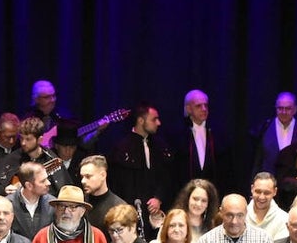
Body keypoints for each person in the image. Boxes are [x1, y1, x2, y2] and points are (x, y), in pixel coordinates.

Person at [108, 102, 173, 231]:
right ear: (141, 120)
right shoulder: (122, 148)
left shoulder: (159, 146)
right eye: (154, 119)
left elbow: (166, 176)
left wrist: (158, 198)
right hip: (131, 213)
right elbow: (118, 184)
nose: (158, 123)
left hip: (155, 214)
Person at [0, 116, 69, 198]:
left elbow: (64, 190)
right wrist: (3, 190)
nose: (23, 143)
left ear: (40, 140)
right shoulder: (14, 157)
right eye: (21, 138)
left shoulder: (52, 160)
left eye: (28, 139)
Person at [175, 89, 224, 192]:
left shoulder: (217, 133)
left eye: (206, 105)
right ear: (188, 109)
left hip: (212, 191)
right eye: (199, 106)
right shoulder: (178, 133)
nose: (204, 109)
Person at [252, 92, 297, 177]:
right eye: (280, 108)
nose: (284, 112)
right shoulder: (265, 127)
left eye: (288, 108)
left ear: (295, 109)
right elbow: (258, 160)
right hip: (268, 181)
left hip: (293, 184)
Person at [79, 154, 127, 235]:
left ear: (103, 175)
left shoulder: (118, 207)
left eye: (88, 176)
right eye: (82, 177)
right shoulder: (79, 203)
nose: (83, 181)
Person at [9, 161, 54, 240]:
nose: (48, 183)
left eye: (47, 178)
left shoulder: (53, 204)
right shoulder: (8, 205)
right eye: (43, 181)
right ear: (29, 185)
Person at [246, 172, 288, 242]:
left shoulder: (284, 219)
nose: (261, 197)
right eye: (258, 192)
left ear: (275, 192)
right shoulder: (240, 215)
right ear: (252, 189)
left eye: (267, 193)